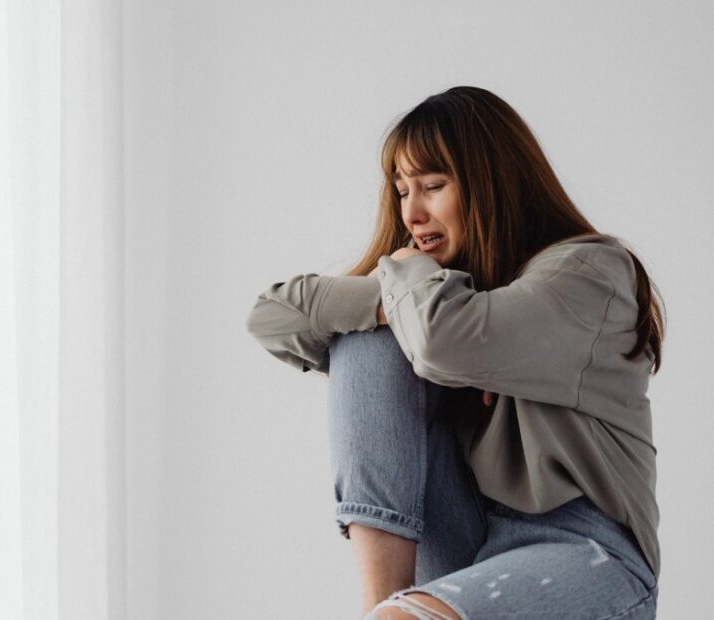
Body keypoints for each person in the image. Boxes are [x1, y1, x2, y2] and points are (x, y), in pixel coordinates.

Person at [245, 86, 664, 619]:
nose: (412, 213)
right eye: (402, 191)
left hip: (586, 553)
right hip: (464, 543)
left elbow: (442, 341)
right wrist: (395, 301)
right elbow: (270, 317)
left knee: (394, 326)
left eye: (433, 186)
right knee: (368, 339)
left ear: (493, 183)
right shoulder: (439, 301)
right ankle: (380, 605)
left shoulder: (590, 271)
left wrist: (412, 286)